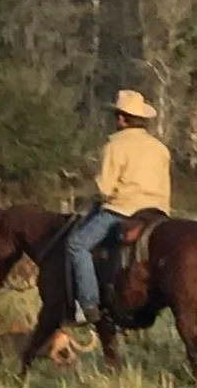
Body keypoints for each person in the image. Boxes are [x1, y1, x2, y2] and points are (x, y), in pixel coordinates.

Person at [67, 89, 172, 323]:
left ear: (122, 119)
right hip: (158, 212)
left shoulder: (115, 146)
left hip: (122, 209)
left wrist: (93, 196)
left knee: (77, 244)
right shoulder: (160, 148)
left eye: (117, 116)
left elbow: (105, 189)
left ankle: (88, 304)